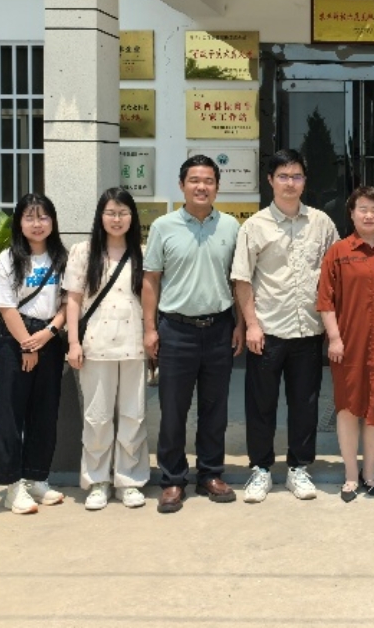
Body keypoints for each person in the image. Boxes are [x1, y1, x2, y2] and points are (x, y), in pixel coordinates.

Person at [233, 149, 339, 502]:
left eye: (296, 176)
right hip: (267, 330)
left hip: (308, 330)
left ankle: (299, 467)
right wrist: (251, 325)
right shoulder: (254, 226)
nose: (290, 183)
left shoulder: (322, 223)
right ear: (270, 180)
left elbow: (335, 274)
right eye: (283, 176)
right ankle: (261, 469)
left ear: (305, 181)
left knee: (305, 403)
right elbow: (242, 279)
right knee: (260, 404)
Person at [142, 155, 244, 514]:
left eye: (209, 181)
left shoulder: (231, 226)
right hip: (176, 330)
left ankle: (210, 474)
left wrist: (240, 324)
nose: (202, 187)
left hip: (219, 328)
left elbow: (238, 281)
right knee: (173, 410)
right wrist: (150, 328)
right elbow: (151, 280)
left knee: (215, 408)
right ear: (182, 185)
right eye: (195, 181)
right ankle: (172, 480)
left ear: (217, 186)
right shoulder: (163, 227)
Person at [317, 187, 374, 502]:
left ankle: (369, 473)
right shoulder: (338, 252)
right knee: (346, 407)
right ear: (352, 214)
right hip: (347, 343)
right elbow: (325, 300)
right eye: (362, 209)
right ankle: (350, 475)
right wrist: (334, 338)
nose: (368, 215)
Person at [64, 188, 148, 511]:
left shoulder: (142, 252)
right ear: (100, 216)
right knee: (97, 417)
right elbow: (73, 300)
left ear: (132, 217)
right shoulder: (83, 252)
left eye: (123, 213)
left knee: (133, 415)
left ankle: (129, 480)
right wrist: (73, 342)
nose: (117, 219)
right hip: (95, 346)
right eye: (111, 212)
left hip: (134, 345)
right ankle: (98, 480)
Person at [0, 192, 69, 515]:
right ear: (19, 222)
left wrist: (48, 334)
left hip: (50, 338)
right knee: (10, 414)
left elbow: (68, 303)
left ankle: (37, 478)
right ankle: (12, 485)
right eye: (30, 217)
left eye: (43, 217)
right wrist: (27, 344)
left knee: (45, 412)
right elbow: (6, 306)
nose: (37, 224)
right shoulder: (8, 259)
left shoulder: (61, 258)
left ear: (53, 221)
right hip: (14, 339)